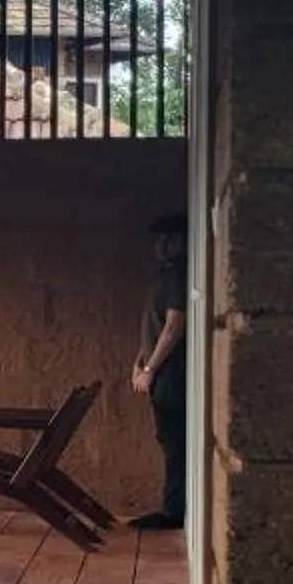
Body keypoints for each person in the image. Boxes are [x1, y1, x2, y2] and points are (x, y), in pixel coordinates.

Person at [131, 212, 189, 530]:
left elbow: (173, 326)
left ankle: (174, 511)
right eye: (159, 239)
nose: (163, 245)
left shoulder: (180, 275)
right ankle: (173, 506)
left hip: (172, 373)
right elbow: (154, 325)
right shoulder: (163, 274)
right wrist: (139, 361)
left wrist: (151, 368)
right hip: (157, 369)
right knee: (168, 437)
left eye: (170, 239)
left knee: (174, 440)